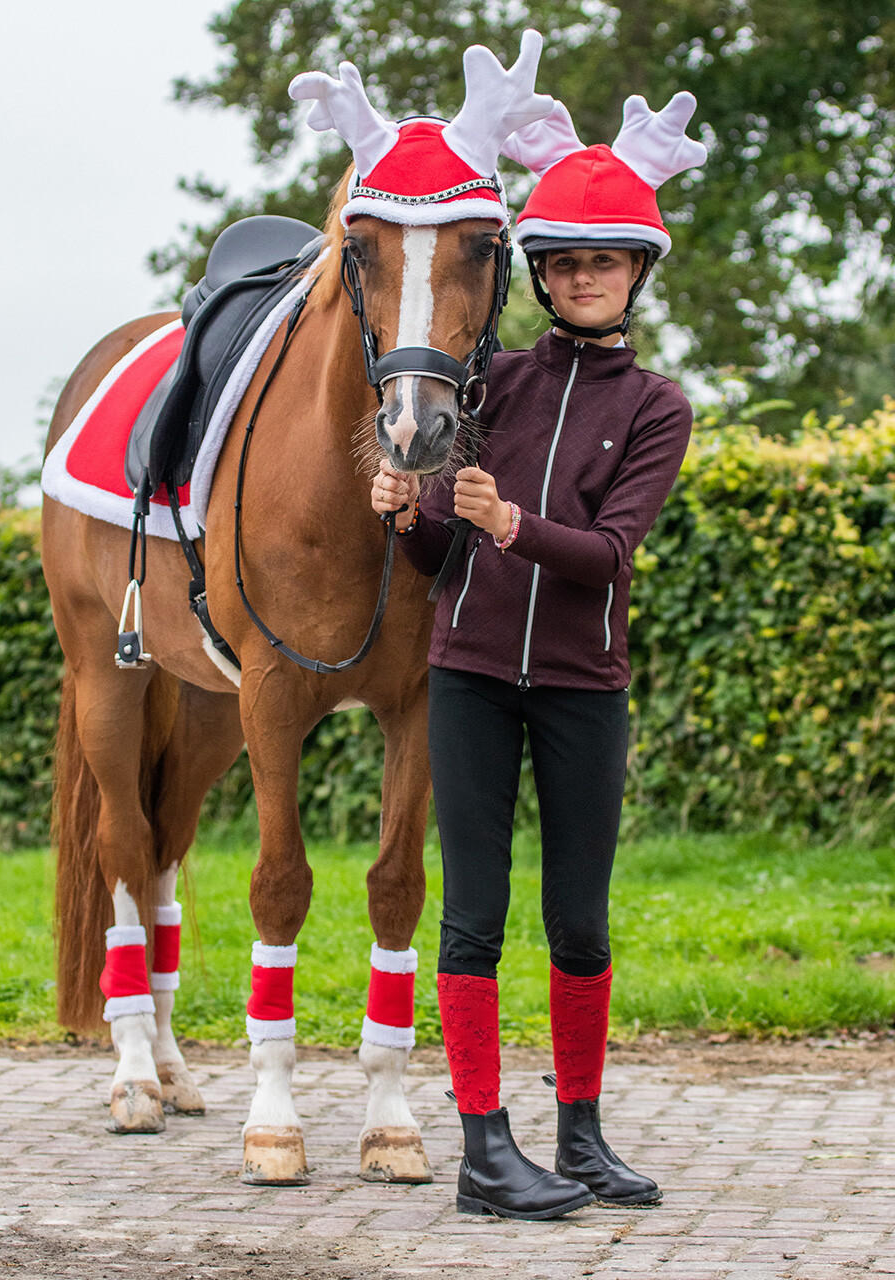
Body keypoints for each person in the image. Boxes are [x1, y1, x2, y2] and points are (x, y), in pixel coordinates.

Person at [370, 92, 707, 1220]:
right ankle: (481, 1147)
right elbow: (431, 556)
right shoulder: (493, 382)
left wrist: (512, 522)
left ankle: (582, 1134)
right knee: (472, 914)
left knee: (579, 919)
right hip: (466, 676)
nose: (582, 279)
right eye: (563, 263)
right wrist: (406, 511)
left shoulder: (660, 407)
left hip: (580, 689)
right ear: (542, 274)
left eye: (603, 263)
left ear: (634, 274)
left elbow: (609, 555)